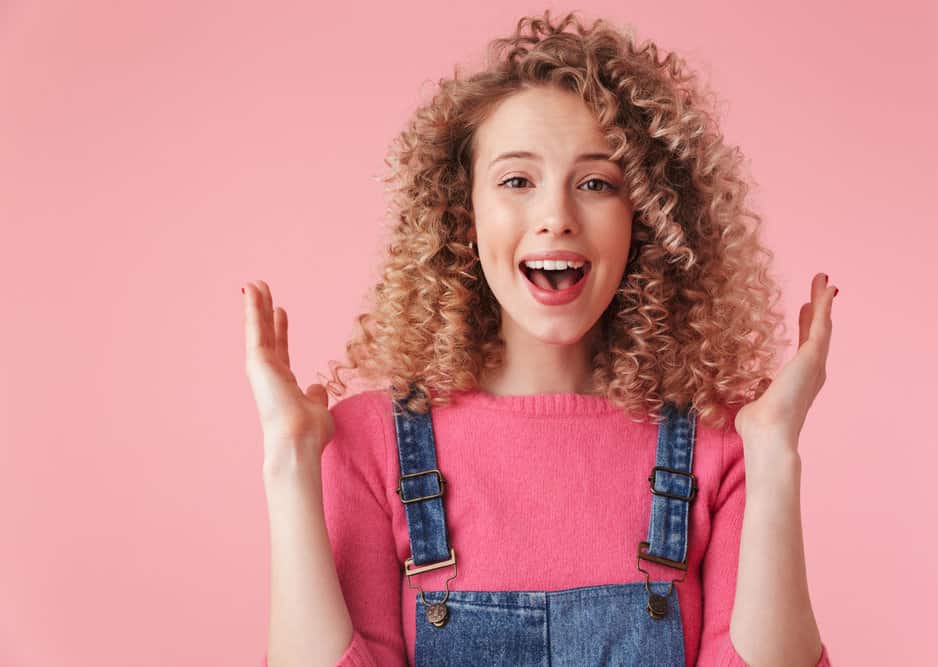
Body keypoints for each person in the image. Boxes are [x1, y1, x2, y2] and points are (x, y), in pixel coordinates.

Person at [245, 10, 836, 667]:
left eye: (595, 183)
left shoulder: (723, 445)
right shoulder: (368, 442)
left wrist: (776, 453)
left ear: (644, 221)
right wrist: (291, 462)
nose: (556, 216)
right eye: (517, 181)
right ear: (462, 214)